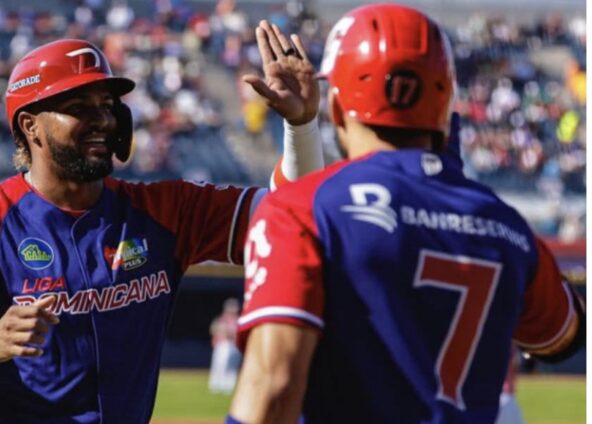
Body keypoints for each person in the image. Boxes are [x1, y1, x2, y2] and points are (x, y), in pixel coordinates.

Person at [0, 22, 323, 423]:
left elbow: (293, 216)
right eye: (79, 107)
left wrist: (300, 126)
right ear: (31, 126)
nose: (102, 120)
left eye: (107, 105)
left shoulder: (165, 211)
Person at [229, 4, 585, 423]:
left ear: (339, 107)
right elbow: (561, 335)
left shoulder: (299, 209)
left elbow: (272, 389)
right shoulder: (507, 227)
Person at [208, 298, 242, 394]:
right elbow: (214, 330)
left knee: (232, 366)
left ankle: (228, 386)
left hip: (234, 345)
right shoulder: (222, 319)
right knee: (219, 365)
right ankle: (216, 385)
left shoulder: (238, 319)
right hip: (222, 344)